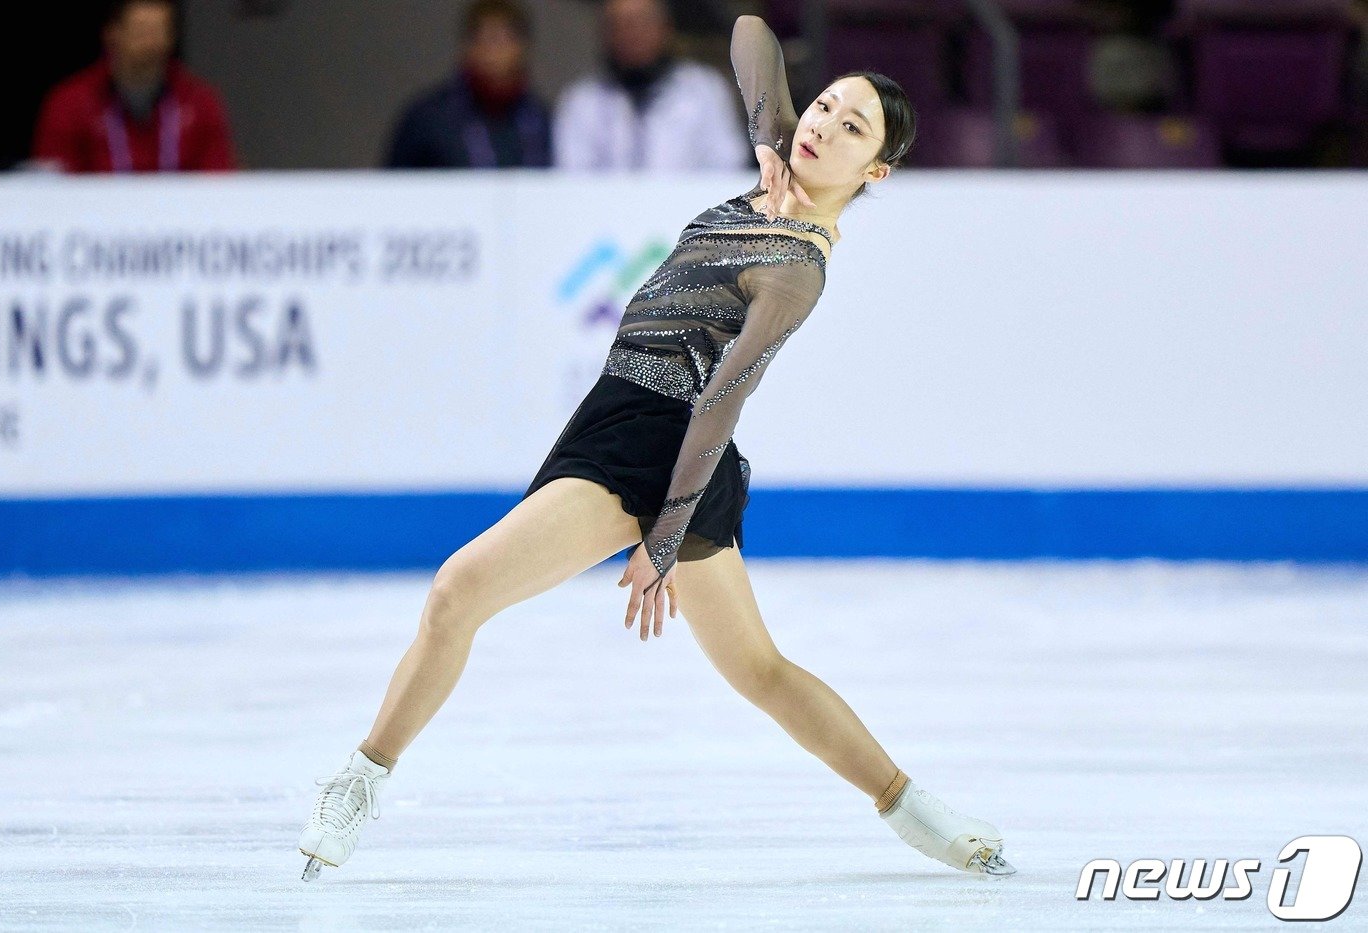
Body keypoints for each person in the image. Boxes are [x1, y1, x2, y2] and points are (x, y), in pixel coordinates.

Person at [297, 15, 1015, 881]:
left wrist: (662, 538)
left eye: (851, 129)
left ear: (876, 171)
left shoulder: (796, 268)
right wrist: (766, 136)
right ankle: (921, 813)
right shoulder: (783, 157)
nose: (823, 125)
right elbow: (750, 32)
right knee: (760, 669)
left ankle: (361, 776)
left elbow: (721, 399)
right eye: (825, 107)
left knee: (457, 591)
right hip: (628, 420)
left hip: (661, 448)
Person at [31, 0, 236, 173]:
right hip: (95, 217)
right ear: (112, 34)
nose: (151, 43)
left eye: (159, 31)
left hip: (180, 217)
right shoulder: (70, 103)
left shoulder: (199, 101)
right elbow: (52, 186)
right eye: (141, 32)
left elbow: (218, 180)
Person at [553, 0, 749, 170]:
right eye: (619, 24)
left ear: (666, 27)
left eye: (641, 22)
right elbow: (573, 181)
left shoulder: (705, 90)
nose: (631, 34)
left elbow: (728, 168)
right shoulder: (581, 102)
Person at [385, 0, 552, 169]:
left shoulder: (540, 119)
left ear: (523, 48)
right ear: (467, 46)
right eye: (484, 39)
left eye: (502, 39)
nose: (493, 52)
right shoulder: (428, 120)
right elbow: (391, 187)